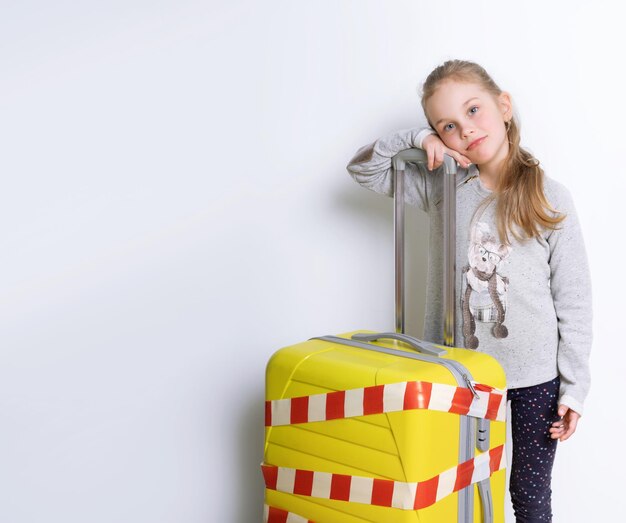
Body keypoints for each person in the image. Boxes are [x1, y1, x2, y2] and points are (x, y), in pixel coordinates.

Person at [345, 59, 592, 522]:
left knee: (531, 499)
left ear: (504, 106)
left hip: (534, 380)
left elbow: (575, 299)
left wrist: (574, 388)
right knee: (458, 491)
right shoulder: (443, 189)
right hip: (459, 375)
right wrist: (414, 140)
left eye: (474, 110)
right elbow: (365, 171)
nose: (466, 130)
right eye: (448, 125)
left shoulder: (549, 196)